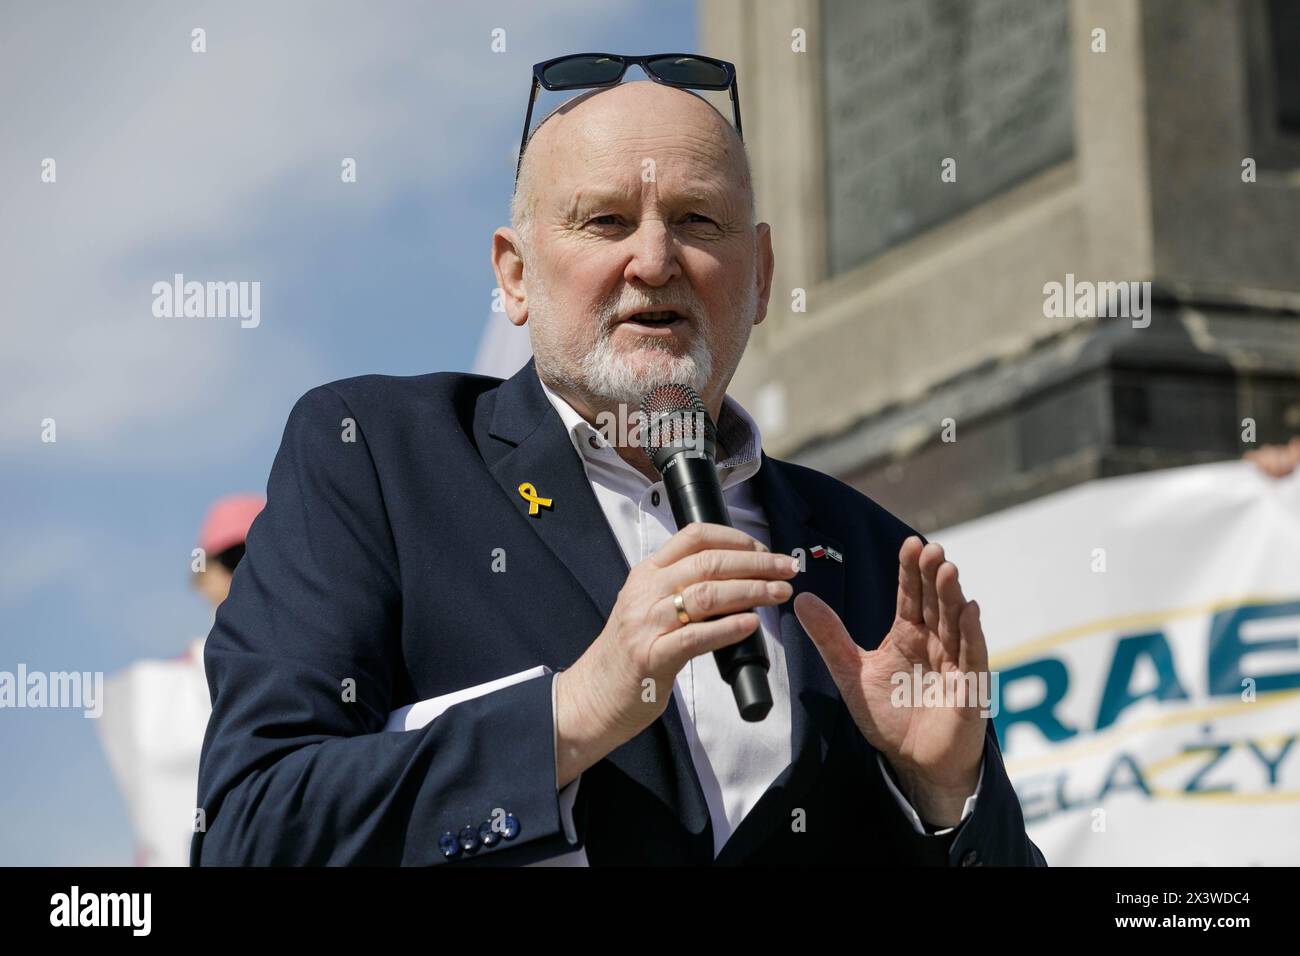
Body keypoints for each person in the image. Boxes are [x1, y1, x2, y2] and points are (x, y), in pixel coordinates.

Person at [193, 64, 1045, 866]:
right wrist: (575, 710)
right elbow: (249, 829)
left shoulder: (872, 553)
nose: (654, 259)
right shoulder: (376, 459)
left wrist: (946, 794)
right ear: (516, 275)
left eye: (698, 221)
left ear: (759, 279)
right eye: (604, 220)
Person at [97, 493, 263, 866]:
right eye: (236, 559)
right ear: (204, 576)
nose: (248, 572)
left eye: (262, 555)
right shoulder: (159, 699)